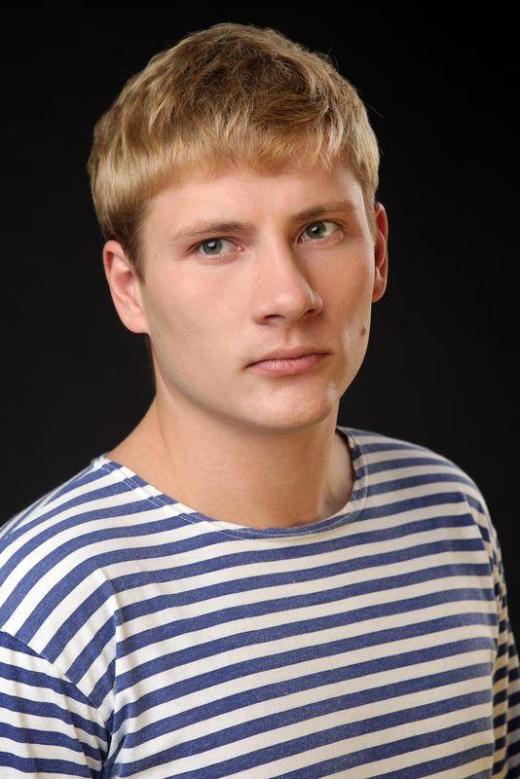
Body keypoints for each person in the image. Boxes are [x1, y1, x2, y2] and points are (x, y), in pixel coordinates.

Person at [0, 21, 518, 779]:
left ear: (378, 250)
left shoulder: (450, 512)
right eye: (216, 244)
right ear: (129, 286)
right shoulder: (40, 609)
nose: (289, 296)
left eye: (319, 229)